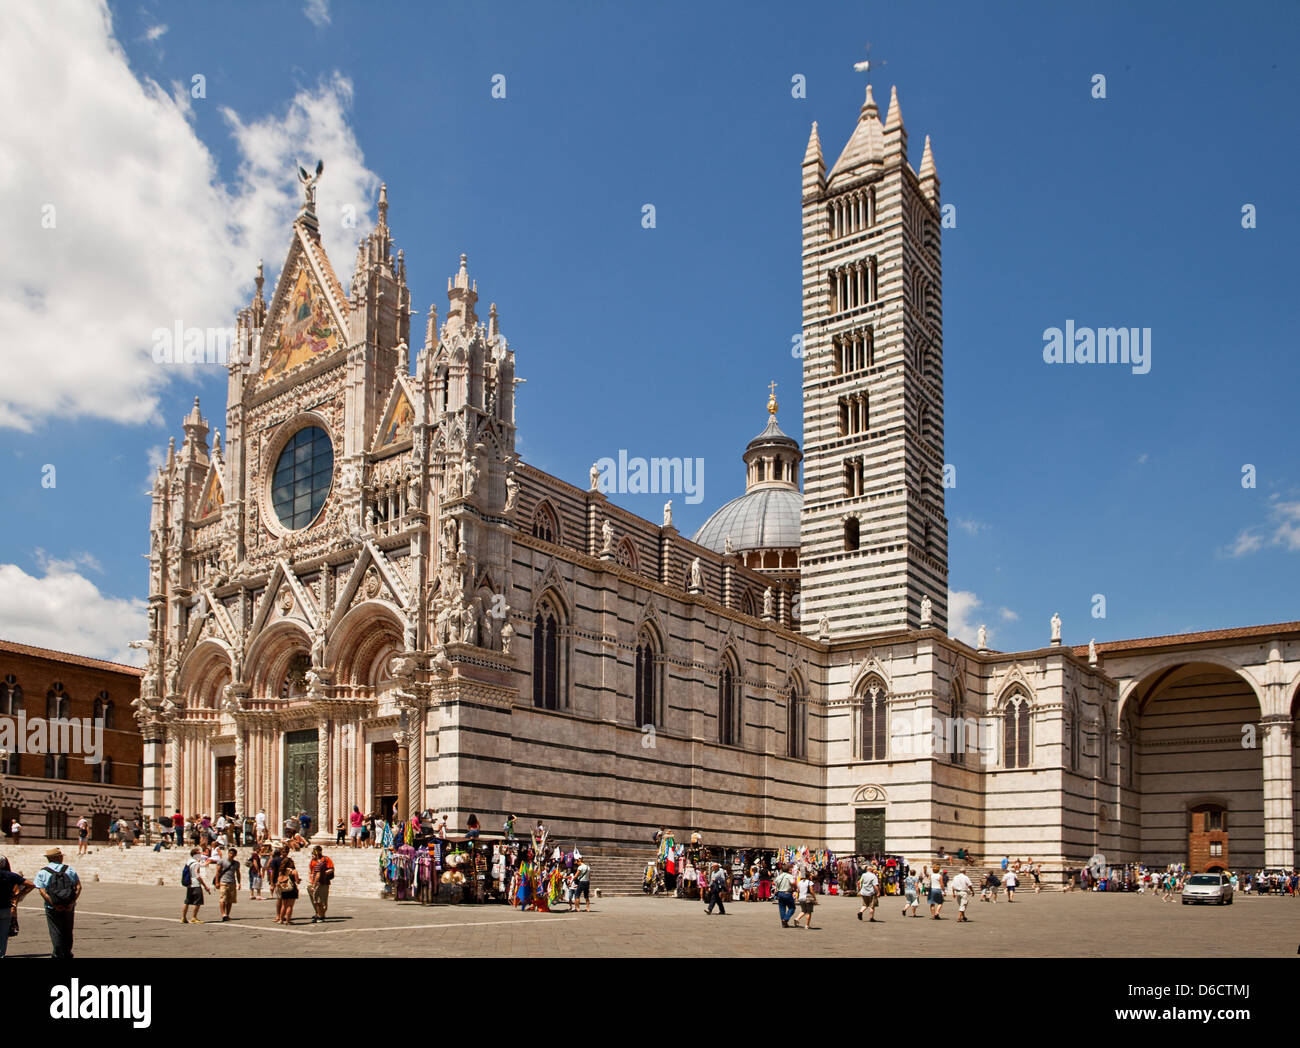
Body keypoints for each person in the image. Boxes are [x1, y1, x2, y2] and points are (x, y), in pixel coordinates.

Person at [34, 847, 81, 957]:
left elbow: (42, 891)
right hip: (68, 906)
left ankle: (58, 953)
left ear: (49, 859)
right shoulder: (69, 869)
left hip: (52, 907)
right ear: (59, 857)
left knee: (55, 930)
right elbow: (79, 887)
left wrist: (53, 904)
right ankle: (67, 952)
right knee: (68, 930)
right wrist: (71, 903)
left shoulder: (43, 872)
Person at [0, 855, 36, 958]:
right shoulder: (11, 875)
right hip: (6, 908)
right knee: (3, 934)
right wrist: (18, 895)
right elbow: (31, 885)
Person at [181, 847, 211, 924]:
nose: (201, 854)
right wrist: (205, 886)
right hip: (195, 884)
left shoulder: (189, 862)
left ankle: (183, 917)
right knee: (197, 901)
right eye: (199, 853)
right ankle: (194, 917)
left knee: (187, 901)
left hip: (189, 884)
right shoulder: (196, 863)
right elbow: (197, 875)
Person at [308, 845, 334, 923]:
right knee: (315, 899)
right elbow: (310, 870)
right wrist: (311, 877)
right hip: (314, 882)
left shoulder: (325, 859)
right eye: (314, 851)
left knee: (322, 900)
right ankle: (318, 913)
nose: (315, 853)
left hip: (323, 882)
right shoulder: (312, 860)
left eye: (316, 851)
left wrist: (323, 873)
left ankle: (321, 915)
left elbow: (332, 869)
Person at [276, 855, 300, 924]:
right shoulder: (294, 871)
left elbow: (279, 879)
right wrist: (299, 880)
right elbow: (297, 881)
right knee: (290, 905)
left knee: (283, 905)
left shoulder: (282, 871)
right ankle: (288, 920)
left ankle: (281, 920)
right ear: (290, 863)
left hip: (284, 888)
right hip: (292, 889)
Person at [773, 863, 796, 927]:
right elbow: (792, 882)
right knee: (792, 907)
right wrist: (795, 887)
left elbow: (775, 884)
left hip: (780, 893)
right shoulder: (789, 876)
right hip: (787, 893)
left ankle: (783, 922)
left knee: (782, 908)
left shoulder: (779, 876)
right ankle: (786, 919)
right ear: (788, 870)